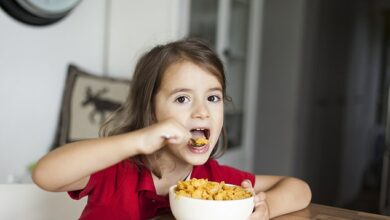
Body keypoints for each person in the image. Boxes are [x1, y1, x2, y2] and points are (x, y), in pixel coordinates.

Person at [32, 39, 311, 220]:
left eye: (213, 98)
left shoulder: (214, 183)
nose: (202, 111)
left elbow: (299, 189)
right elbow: (45, 174)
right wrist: (138, 140)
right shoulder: (116, 170)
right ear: (151, 110)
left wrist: (267, 207)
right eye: (182, 99)